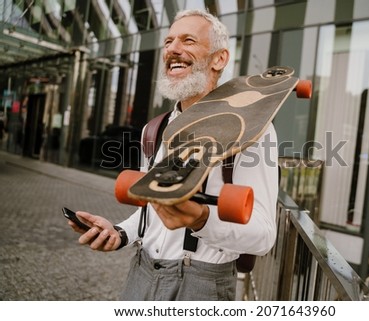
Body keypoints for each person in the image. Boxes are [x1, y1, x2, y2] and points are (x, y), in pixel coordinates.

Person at [68, 9, 279, 301]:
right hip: (140, 274)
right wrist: (121, 233)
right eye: (168, 41)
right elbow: (152, 206)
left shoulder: (254, 132)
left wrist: (201, 218)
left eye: (188, 40)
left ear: (219, 59)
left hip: (201, 283)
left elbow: (264, 235)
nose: (173, 49)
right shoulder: (154, 130)